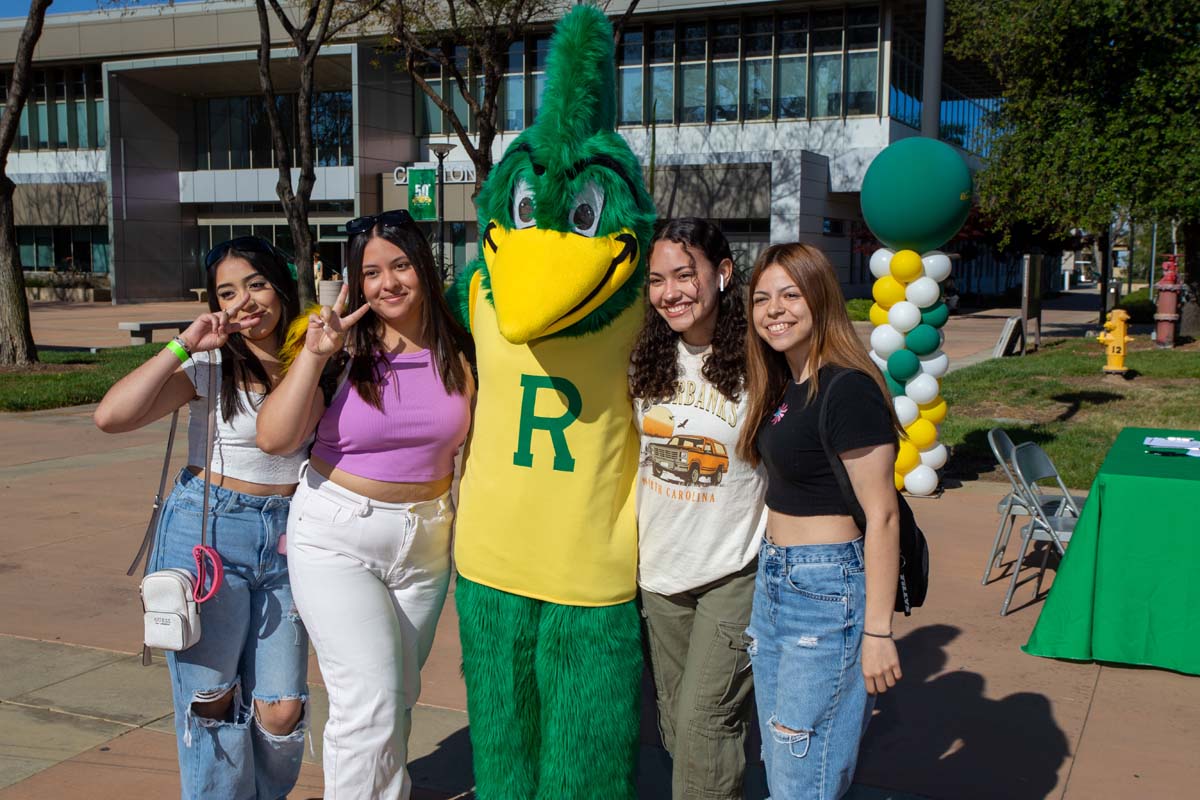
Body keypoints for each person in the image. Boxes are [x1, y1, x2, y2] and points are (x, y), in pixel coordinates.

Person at [256, 209, 473, 798]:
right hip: (337, 534)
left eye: (400, 266)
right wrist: (315, 354)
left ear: (423, 266)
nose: (388, 283)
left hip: (426, 540)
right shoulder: (340, 346)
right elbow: (274, 437)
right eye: (371, 273)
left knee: (396, 700)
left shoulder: (461, 348)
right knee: (368, 704)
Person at [94, 236, 309, 800]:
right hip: (208, 532)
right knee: (211, 698)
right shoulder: (210, 364)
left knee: (281, 708)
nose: (245, 302)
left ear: (280, 286)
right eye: (228, 293)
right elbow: (111, 417)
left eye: (256, 284)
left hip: (292, 537)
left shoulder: (315, 358)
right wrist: (184, 344)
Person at [738, 243, 904, 800]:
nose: (774, 310)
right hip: (777, 581)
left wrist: (876, 633)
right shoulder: (786, 381)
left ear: (820, 298)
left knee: (801, 772)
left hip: (826, 590)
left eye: (790, 294)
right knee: (782, 756)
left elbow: (883, 515)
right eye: (762, 298)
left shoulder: (847, 387)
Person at [629, 218, 766, 800]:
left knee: (705, 724)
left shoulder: (761, 358)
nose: (670, 293)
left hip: (733, 570)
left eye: (685, 275)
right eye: (657, 280)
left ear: (723, 273)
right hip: (659, 574)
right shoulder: (644, 356)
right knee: (676, 724)